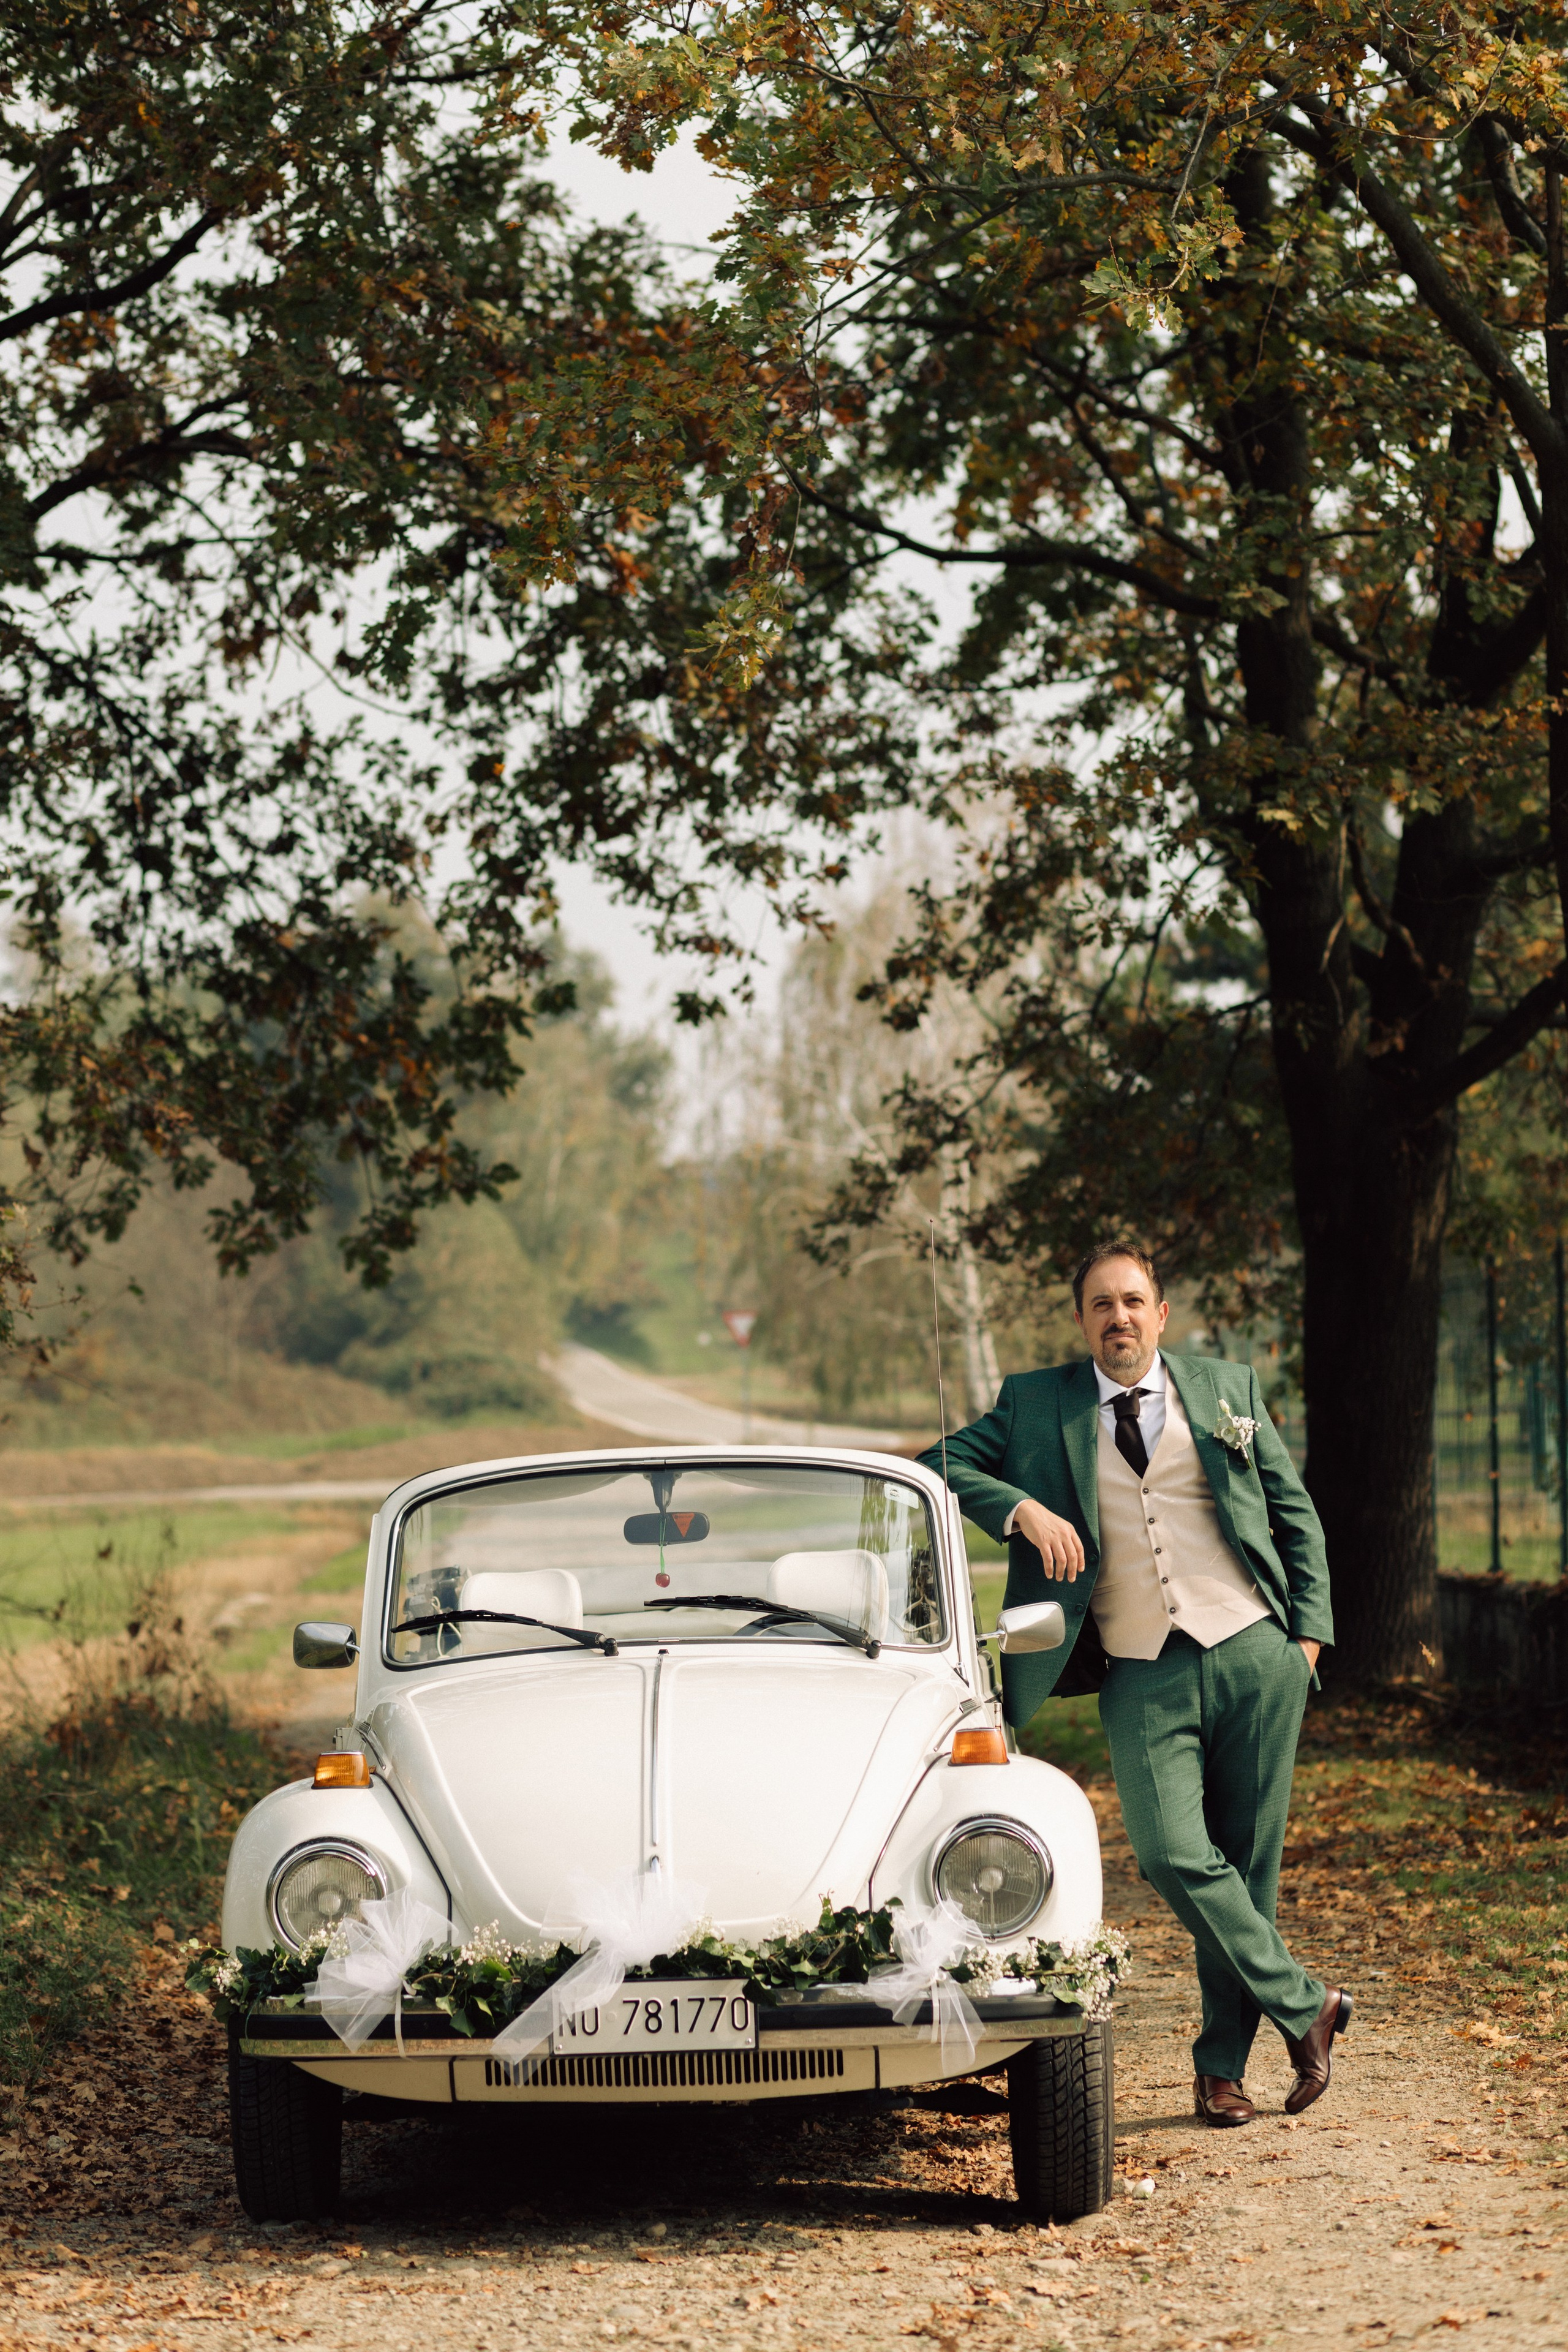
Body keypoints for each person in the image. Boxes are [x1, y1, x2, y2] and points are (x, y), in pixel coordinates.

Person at [918, 1240, 1346, 2126]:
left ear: (1161, 1313)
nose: (1119, 1317)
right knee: (1170, 1852)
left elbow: (1293, 1513)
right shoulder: (1039, 1404)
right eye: (1102, 1305)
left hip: (1254, 1650)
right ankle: (1307, 2006)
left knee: (1247, 1868)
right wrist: (1020, 1508)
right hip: (1139, 1664)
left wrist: (1306, 1639)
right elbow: (937, 1463)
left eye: (1134, 1301)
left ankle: (1221, 2073)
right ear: (1083, 1321)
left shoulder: (1228, 1388)